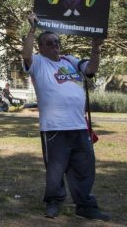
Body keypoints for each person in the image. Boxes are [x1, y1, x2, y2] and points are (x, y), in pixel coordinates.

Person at [22, 12, 110, 221]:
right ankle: (54, 201)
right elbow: (26, 54)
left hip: (79, 126)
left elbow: (91, 69)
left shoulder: (70, 60)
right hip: (54, 127)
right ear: (40, 47)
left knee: (84, 167)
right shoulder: (38, 63)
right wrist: (32, 30)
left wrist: (96, 48)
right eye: (49, 42)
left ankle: (85, 205)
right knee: (55, 169)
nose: (55, 45)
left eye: (57, 41)